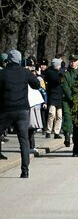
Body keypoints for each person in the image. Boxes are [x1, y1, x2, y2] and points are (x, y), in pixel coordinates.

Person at [0, 50, 42, 178]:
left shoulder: (2, 73)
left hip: (6, 110)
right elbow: (36, 84)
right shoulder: (25, 72)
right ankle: (25, 170)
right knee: (24, 140)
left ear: (8, 60)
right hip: (22, 110)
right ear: (19, 60)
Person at [60, 54, 78, 147]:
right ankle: (67, 136)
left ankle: (76, 142)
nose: (72, 63)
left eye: (74, 61)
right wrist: (72, 98)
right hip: (68, 101)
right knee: (67, 119)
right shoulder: (65, 74)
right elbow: (65, 88)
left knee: (77, 123)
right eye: (71, 61)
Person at [42, 58, 65, 139]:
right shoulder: (50, 72)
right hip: (52, 95)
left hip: (59, 96)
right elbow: (57, 80)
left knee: (59, 116)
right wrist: (61, 73)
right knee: (51, 114)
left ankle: (56, 132)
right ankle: (48, 131)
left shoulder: (59, 72)